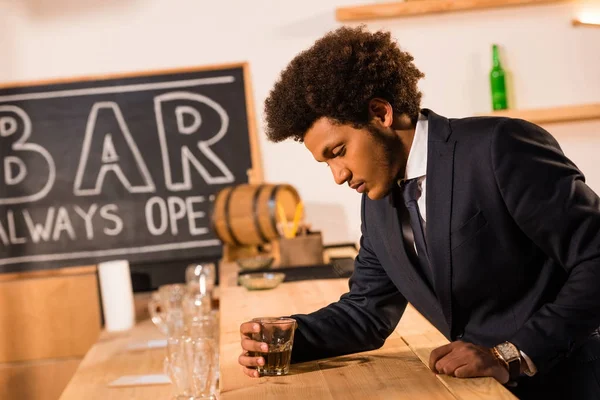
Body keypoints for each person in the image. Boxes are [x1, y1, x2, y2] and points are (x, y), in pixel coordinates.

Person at [238, 26, 600, 399]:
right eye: (325, 163)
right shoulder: (377, 199)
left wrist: (512, 354)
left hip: (570, 384)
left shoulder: (497, 148)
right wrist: (286, 337)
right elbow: (367, 311)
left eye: (339, 151)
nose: (338, 175)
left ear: (380, 113)